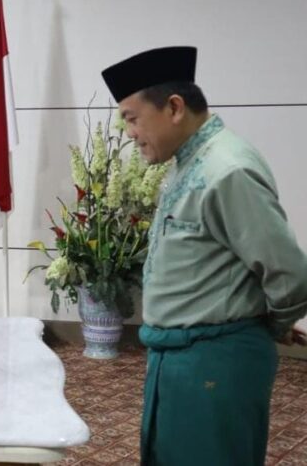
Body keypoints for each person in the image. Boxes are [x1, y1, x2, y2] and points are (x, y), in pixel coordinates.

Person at [101, 46, 307, 466]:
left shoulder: (226, 170)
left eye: (132, 118)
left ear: (174, 108)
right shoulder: (189, 161)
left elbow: (290, 273)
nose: (128, 132)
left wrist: (270, 323)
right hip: (181, 358)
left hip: (215, 361)